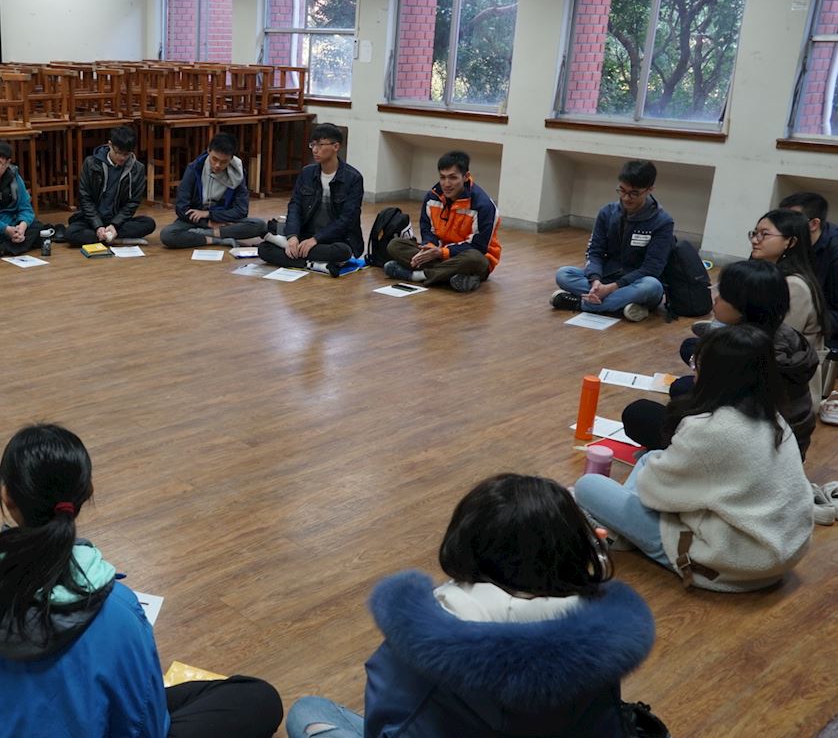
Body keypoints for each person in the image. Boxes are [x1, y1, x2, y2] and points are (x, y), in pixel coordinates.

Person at [0, 424, 283, 738]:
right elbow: (146, 730)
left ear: (7, 497)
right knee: (256, 698)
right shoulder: (121, 612)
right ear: (85, 494)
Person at [286, 474, 654, 738]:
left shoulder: (423, 641)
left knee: (308, 711)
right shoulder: (604, 639)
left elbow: (386, 724)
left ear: (464, 545)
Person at [575, 325, 814, 592]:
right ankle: (622, 530)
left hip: (727, 564)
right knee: (651, 457)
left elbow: (654, 494)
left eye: (696, 366)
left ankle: (621, 532)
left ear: (713, 375)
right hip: (779, 554)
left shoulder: (709, 428)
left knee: (588, 486)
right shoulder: (774, 418)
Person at [622, 260, 818, 457]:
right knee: (682, 387)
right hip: (789, 442)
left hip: (754, 451)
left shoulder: (743, 351)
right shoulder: (783, 333)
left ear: (744, 305)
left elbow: (721, 418)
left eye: (723, 295)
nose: (715, 299)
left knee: (639, 414)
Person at [551, 160, 673, 322]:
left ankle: (580, 304)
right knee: (564, 274)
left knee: (652, 286)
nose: (626, 198)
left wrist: (612, 288)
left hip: (636, 282)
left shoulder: (663, 222)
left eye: (634, 193)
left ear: (650, 190)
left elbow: (652, 268)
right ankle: (623, 305)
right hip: (606, 277)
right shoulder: (607, 212)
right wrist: (596, 281)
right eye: (622, 190)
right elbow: (595, 252)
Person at [383, 151, 500, 292]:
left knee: (474, 258)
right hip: (440, 255)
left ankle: (417, 275)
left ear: (466, 177)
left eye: (453, 178)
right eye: (442, 177)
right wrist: (428, 248)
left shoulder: (484, 206)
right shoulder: (432, 197)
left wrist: (441, 253)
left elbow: (478, 246)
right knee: (395, 245)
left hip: (471, 257)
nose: (446, 184)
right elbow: (427, 230)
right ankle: (454, 277)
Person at [257, 124, 364, 276]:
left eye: (320, 145)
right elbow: (295, 206)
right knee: (264, 249)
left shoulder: (353, 178)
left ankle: (298, 256)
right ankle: (315, 264)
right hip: (307, 236)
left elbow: (347, 219)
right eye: (312, 145)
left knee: (343, 252)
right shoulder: (307, 173)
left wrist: (316, 239)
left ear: (336, 146)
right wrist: (292, 236)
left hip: (336, 239)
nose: (315, 150)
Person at [749, 209, 829, 407]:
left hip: (788, 388)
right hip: (765, 363)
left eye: (764, 234)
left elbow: (779, 346)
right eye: (755, 233)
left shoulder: (793, 286)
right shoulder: (770, 275)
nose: (755, 240)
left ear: (790, 242)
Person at [779, 192, 838, 412]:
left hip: (819, 330)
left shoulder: (834, 252)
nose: (784, 225)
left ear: (814, 224)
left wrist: (808, 318)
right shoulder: (781, 243)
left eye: (791, 219)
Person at [160, 132, 263, 249]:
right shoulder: (194, 168)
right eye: (214, 159)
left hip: (223, 219)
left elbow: (241, 210)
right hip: (196, 220)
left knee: (259, 225)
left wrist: (210, 214)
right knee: (167, 235)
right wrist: (207, 223)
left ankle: (204, 235)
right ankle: (217, 240)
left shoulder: (238, 174)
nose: (217, 165)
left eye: (224, 162)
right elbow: (181, 208)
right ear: (209, 150)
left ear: (231, 158)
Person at [65, 126, 157, 247]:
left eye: (126, 154)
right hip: (93, 219)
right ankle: (115, 239)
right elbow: (85, 198)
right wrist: (98, 225)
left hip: (117, 220)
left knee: (149, 223)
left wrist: (114, 225)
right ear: (110, 145)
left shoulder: (137, 169)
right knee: (71, 233)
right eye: (118, 153)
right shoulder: (91, 163)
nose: (122, 158)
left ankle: (108, 237)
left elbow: (132, 203)